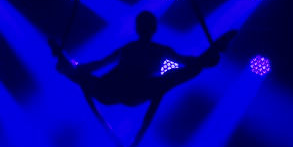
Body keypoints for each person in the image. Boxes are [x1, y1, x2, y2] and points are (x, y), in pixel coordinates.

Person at [49, 11, 236, 106]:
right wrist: (205, 60)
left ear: (139, 29)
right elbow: (187, 65)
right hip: (126, 88)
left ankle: (65, 64)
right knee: (178, 75)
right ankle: (65, 65)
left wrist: (77, 70)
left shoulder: (137, 48)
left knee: (177, 75)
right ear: (152, 29)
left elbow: (99, 64)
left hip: (125, 88)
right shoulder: (152, 49)